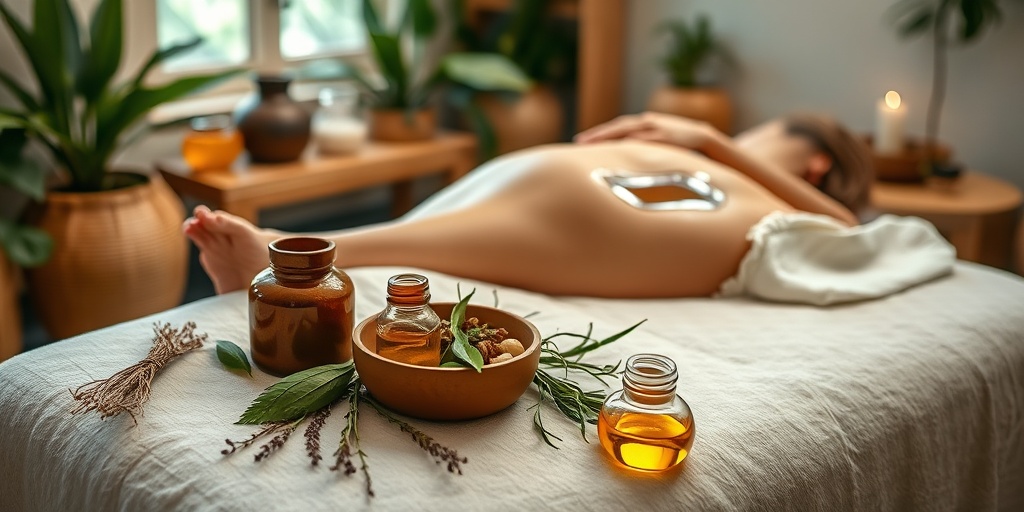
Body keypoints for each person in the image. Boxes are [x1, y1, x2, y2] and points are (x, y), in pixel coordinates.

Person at [184, 112, 873, 298]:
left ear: (814, 162)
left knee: (425, 237)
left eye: (767, 135)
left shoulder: (772, 186)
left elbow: (846, 228)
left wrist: (711, 140)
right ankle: (287, 252)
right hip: (568, 190)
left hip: (606, 210)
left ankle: (289, 252)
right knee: (421, 231)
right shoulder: (735, 167)